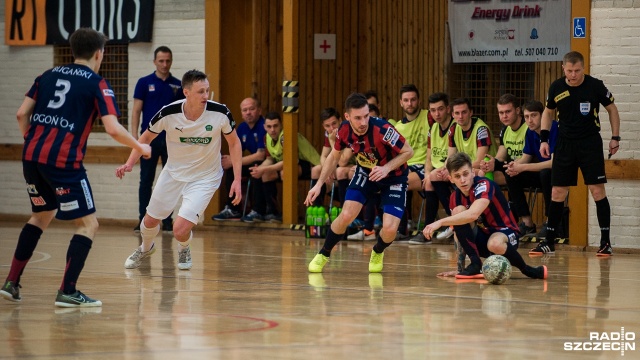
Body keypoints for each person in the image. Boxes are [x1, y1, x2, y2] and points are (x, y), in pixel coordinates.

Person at [0, 28, 151, 307]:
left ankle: (11, 282)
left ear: (72, 51)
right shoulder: (97, 83)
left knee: (41, 215)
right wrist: (140, 147)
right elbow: (112, 128)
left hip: (32, 157)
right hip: (64, 162)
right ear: (99, 53)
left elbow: (22, 113)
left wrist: (32, 141)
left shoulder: (46, 75)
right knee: (88, 224)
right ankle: (68, 291)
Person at [117, 70, 242, 270]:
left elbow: (234, 143)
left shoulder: (220, 113)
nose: (205, 96)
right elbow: (146, 137)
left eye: (207, 91)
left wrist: (237, 179)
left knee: (179, 230)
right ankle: (145, 248)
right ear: (186, 92)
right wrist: (130, 163)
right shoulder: (168, 113)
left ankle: (184, 248)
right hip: (173, 173)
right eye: (200, 91)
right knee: (149, 221)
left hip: (205, 177)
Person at [306, 93, 413, 273]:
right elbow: (334, 157)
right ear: (347, 117)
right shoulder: (343, 131)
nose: (363, 122)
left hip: (394, 175)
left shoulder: (383, 129)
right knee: (346, 214)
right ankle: (323, 253)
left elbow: (408, 151)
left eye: (366, 116)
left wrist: (386, 168)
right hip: (366, 172)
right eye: (358, 118)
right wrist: (318, 184)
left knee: (389, 229)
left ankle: (378, 251)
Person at [530, 51, 620, 256]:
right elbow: (548, 112)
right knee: (557, 193)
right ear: (564, 69)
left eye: (577, 70)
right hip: (564, 144)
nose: (573, 75)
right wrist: (544, 139)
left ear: (583, 68)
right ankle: (549, 242)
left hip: (590, 144)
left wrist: (616, 137)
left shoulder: (595, 85)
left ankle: (605, 242)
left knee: (597, 191)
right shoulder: (556, 87)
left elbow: (612, 110)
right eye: (569, 71)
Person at [422, 152, 547, 280]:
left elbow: (473, 214)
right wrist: (460, 269)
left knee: (494, 243)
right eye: (457, 176)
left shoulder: (483, 184)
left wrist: (440, 222)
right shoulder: (455, 197)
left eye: (465, 174)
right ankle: (475, 264)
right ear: (451, 179)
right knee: (458, 213)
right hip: (482, 238)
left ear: (472, 172)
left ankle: (527, 270)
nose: (463, 180)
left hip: (505, 234)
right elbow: (458, 232)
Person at [131, 46, 184, 233]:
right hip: (149, 141)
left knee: (169, 182)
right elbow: (136, 111)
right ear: (154, 61)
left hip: (171, 141)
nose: (164, 64)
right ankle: (143, 220)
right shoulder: (144, 83)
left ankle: (167, 221)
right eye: (161, 61)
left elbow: (182, 115)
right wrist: (135, 139)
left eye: (168, 60)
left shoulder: (177, 84)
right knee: (146, 180)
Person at [242, 112, 321, 222]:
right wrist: (260, 169)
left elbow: (288, 162)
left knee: (286, 172)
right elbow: (270, 159)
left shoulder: (285, 137)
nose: (272, 129)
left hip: (307, 163)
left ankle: (293, 213)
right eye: (269, 126)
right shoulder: (266, 138)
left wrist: (264, 168)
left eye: (275, 126)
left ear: (281, 125)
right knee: (265, 174)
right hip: (285, 165)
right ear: (265, 127)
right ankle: (272, 212)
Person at [503, 100, 559, 240]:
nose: (529, 120)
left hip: (558, 175)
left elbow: (553, 163)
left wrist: (523, 167)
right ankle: (527, 222)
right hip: (540, 175)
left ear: (543, 116)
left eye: (534, 116)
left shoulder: (555, 128)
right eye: (526, 117)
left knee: (546, 173)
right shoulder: (530, 132)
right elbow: (525, 158)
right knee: (511, 175)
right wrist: (514, 166)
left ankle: (550, 222)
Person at [409, 92, 456, 244]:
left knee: (433, 178)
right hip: (438, 173)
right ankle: (427, 232)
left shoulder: (454, 127)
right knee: (430, 180)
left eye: (440, 109)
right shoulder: (433, 129)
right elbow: (428, 158)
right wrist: (427, 173)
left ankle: (454, 221)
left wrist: (433, 173)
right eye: (433, 110)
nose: (437, 113)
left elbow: (451, 157)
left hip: (452, 169)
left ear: (448, 109)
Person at [480, 94, 531, 233]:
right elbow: (501, 155)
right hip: (513, 168)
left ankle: (526, 222)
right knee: (482, 174)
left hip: (531, 168)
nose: (504, 116)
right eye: (501, 113)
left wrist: (510, 166)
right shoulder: (504, 130)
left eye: (508, 112)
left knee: (510, 175)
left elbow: (531, 157)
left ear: (518, 110)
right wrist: (491, 163)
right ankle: (490, 218)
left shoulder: (528, 127)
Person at [212, 97, 266, 221]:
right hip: (252, 162)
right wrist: (231, 161)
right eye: (245, 110)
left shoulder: (264, 126)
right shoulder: (242, 128)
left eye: (251, 109)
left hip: (267, 163)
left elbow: (260, 155)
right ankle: (232, 209)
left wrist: (234, 161)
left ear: (259, 110)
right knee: (231, 168)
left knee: (256, 167)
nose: (248, 112)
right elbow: (235, 150)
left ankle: (258, 211)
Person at [392, 84, 433, 240]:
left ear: (419, 101)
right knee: (391, 179)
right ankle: (403, 226)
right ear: (401, 103)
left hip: (425, 165)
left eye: (413, 100)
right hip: (407, 166)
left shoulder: (428, 116)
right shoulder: (397, 127)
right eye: (406, 100)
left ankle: (403, 228)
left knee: (401, 182)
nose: (410, 104)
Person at [447, 98, 497, 172]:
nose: (460, 116)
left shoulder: (481, 130)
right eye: (457, 113)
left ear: (471, 112)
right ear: (453, 115)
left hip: (486, 171)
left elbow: (479, 162)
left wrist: (455, 169)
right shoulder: (453, 129)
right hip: (466, 169)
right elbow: (450, 158)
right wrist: (445, 169)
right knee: (433, 176)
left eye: (464, 112)